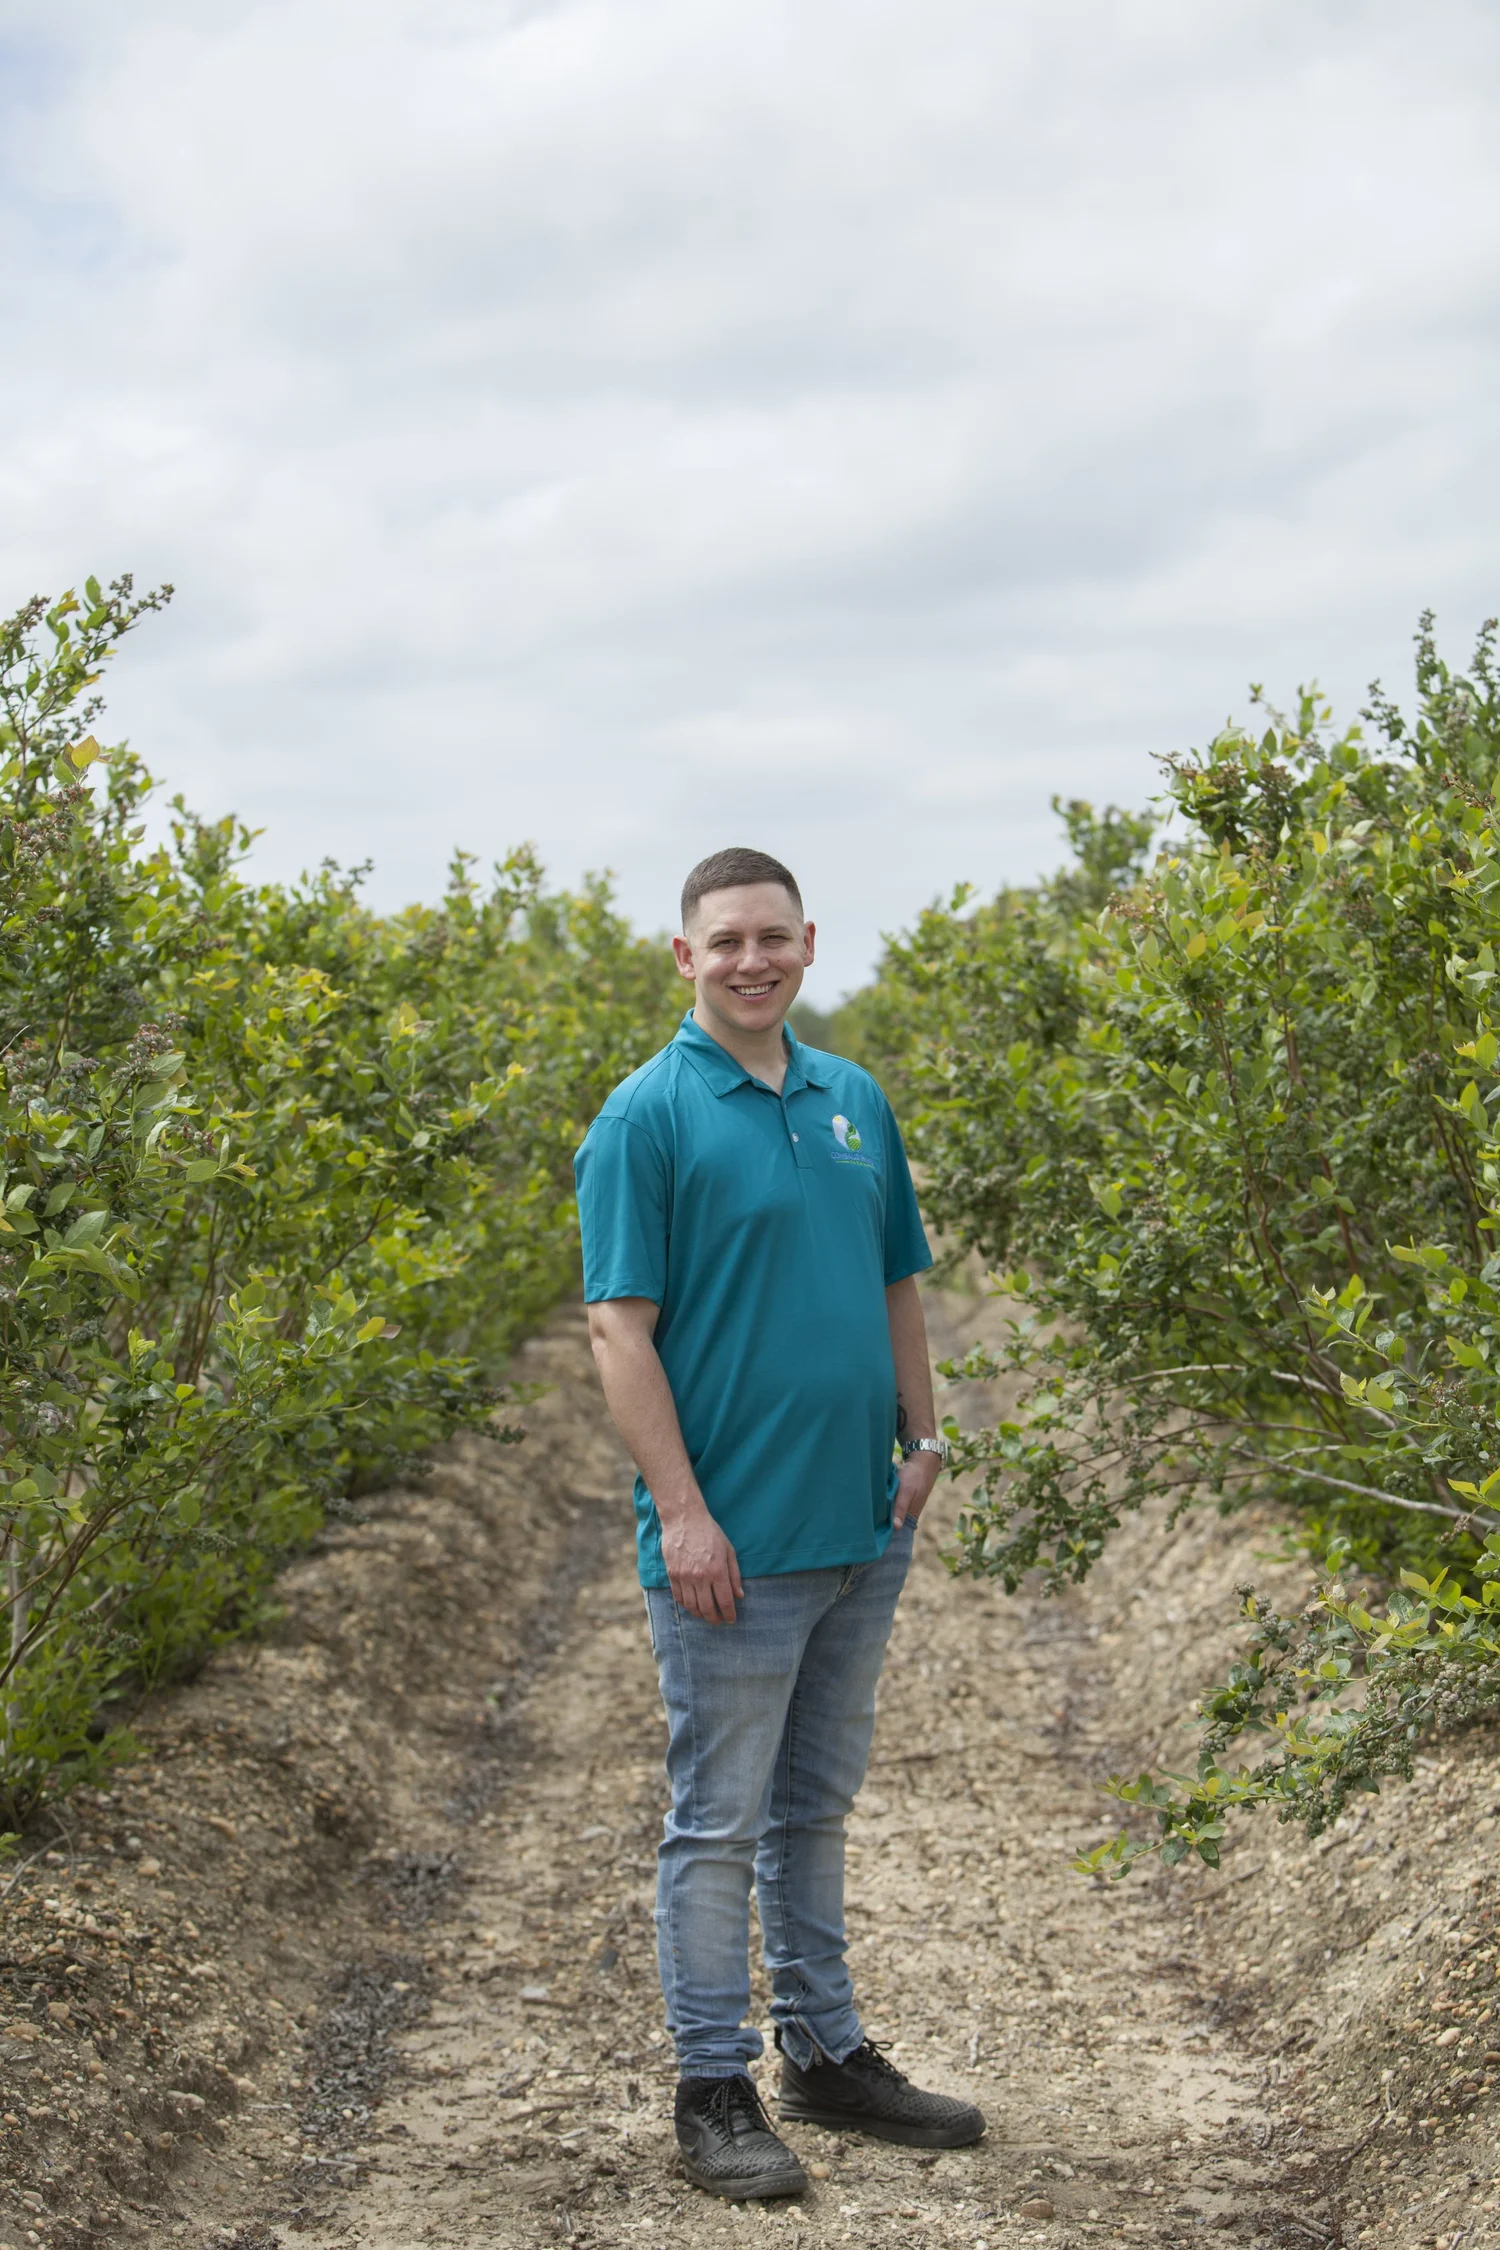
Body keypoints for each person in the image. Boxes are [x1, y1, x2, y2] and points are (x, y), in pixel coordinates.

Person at [574, 845, 985, 2202]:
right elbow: (618, 1332)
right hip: (729, 1549)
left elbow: (898, 1287)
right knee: (718, 1817)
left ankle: (824, 2048)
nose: (751, 959)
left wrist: (922, 1439)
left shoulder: (853, 1097)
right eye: (724, 940)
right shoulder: (645, 1118)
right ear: (684, 958)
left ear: (808, 943)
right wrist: (682, 1515)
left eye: (772, 936)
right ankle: (713, 2082)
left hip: (861, 1523)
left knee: (813, 1803)